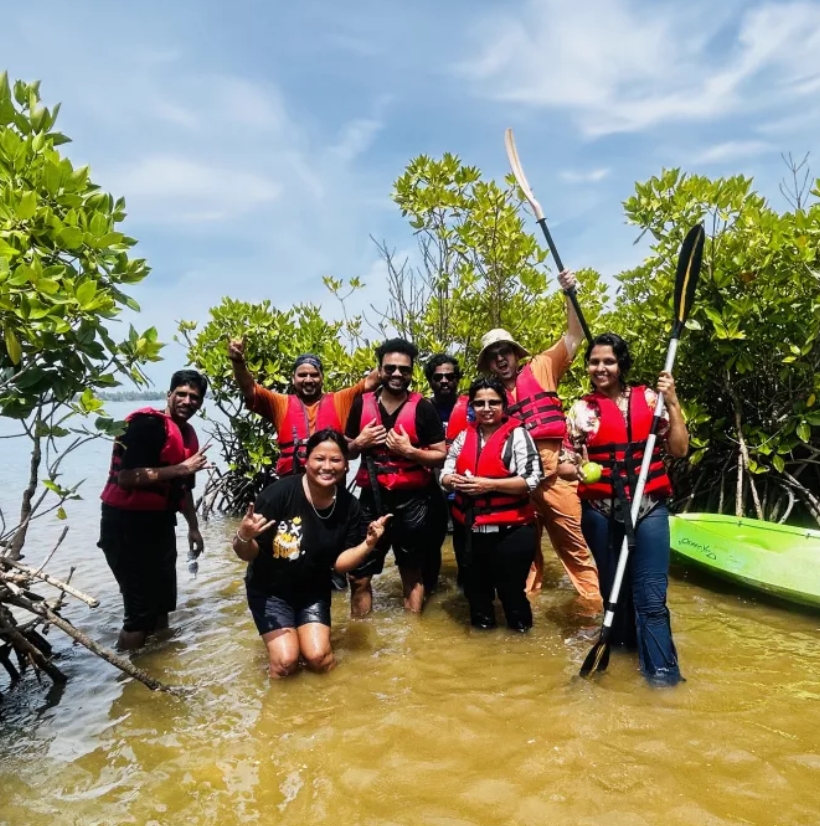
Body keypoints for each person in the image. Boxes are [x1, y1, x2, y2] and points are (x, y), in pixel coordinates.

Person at [564, 332, 688, 686]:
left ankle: (662, 677)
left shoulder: (650, 399)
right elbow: (564, 464)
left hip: (647, 508)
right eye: (594, 362)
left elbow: (679, 449)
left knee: (650, 597)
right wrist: (576, 469)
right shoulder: (581, 410)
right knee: (613, 594)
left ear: (621, 365)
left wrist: (672, 402)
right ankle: (621, 656)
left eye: (609, 361)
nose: (600, 368)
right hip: (601, 513)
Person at [476, 269, 601, 606]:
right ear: (489, 363)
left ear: (515, 353)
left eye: (505, 351)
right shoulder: (489, 397)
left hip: (556, 476)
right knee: (525, 557)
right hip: (519, 483)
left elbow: (574, 335)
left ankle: (593, 608)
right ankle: (528, 616)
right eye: (493, 355)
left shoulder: (543, 366)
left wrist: (569, 294)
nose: (500, 358)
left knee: (576, 547)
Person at [233, 429, 391, 677]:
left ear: (346, 466)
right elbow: (247, 554)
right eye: (319, 459)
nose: (327, 467)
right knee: (286, 663)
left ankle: (333, 698)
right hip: (270, 590)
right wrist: (244, 536)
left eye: (335, 460)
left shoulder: (350, 506)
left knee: (319, 658)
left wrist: (368, 544)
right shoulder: (277, 495)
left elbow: (340, 565)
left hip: (312, 590)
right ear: (306, 461)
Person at [98, 370, 211, 650]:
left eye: (194, 397)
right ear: (169, 395)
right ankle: (129, 672)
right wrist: (180, 468)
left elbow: (183, 489)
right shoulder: (146, 425)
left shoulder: (186, 434)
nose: (187, 401)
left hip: (160, 523)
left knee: (162, 605)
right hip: (125, 524)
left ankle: (159, 664)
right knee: (139, 614)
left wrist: (193, 528)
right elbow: (126, 478)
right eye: (181, 394)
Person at [346, 338, 447, 615]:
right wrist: (360, 442)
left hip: (412, 501)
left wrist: (409, 451)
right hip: (371, 499)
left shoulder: (423, 408)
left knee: (412, 573)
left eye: (404, 369)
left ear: (411, 372)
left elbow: (440, 455)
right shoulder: (361, 404)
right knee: (358, 575)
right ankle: (362, 633)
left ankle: (414, 635)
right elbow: (346, 452)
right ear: (380, 370)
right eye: (390, 368)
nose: (397, 374)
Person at [441, 378, 543, 630]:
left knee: (512, 595)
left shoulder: (518, 435)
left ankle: (521, 644)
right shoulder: (464, 436)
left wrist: (489, 485)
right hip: (470, 530)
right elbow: (445, 474)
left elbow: (532, 479)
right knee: (476, 597)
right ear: (472, 407)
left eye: (493, 402)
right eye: (480, 403)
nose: (486, 408)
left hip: (511, 531)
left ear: (503, 405)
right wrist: (451, 480)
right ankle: (483, 647)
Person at [227, 340, 379, 477]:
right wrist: (237, 361)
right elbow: (250, 389)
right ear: (293, 378)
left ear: (322, 378)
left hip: (329, 485)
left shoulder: (340, 400)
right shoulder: (280, 403)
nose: (308, 379)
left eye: (314, 375)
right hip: (292, 484)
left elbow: (371, 382)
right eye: (302, 375)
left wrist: (388, 359)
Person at [422, 353, 464, 592]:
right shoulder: (422, 409)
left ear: (457, 379)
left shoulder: (473, 407)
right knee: (430, 543)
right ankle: (429, 591)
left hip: (463, 487)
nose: (444, 381)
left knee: (465, 543)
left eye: (450, 376)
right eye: (438, 377)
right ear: (430, 380)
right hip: (431, 487)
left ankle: (465, 588)